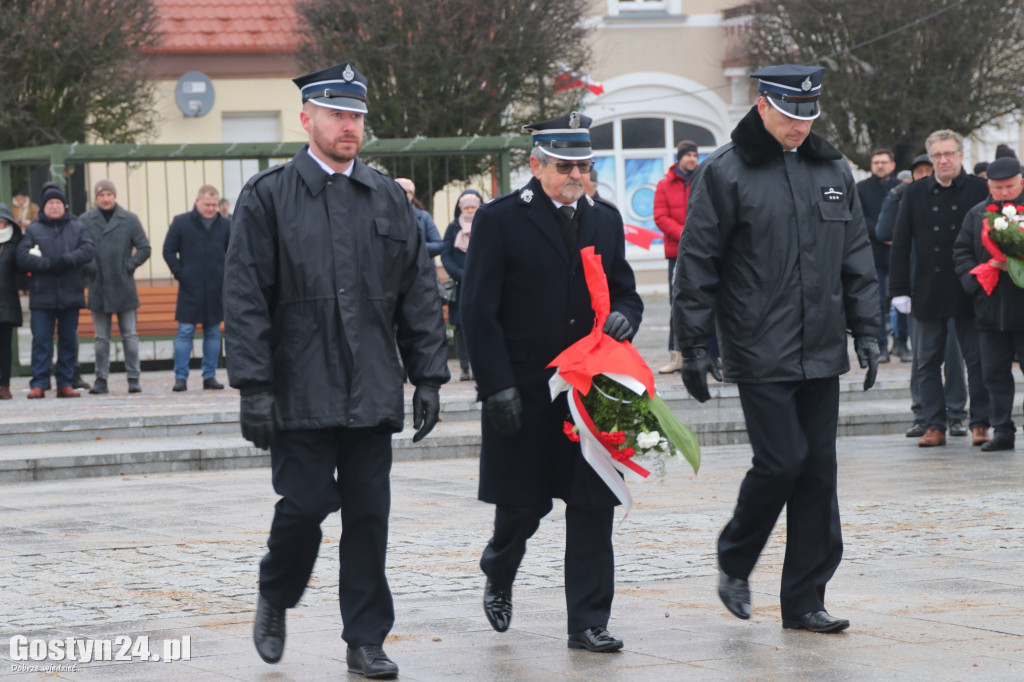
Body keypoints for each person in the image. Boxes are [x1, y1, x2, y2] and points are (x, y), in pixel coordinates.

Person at [223, 62, 449, 680]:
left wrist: (428, 375)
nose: (349, 127)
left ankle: (365, 639)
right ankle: (277, 591)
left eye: (356, 117)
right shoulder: (268, 196)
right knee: (302, 506)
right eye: (337, 115)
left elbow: (417, 295)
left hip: (372, 385)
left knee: (369, 516)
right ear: (307, 119)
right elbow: (244, 297)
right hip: (298, 387)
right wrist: (254, 386)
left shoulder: (384, 197)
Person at [674, 65, 879, 633]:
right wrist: (692, 346)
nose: (799, 126)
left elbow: (856, 257)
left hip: (820, 346)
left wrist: (867, 331)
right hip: (758, 343)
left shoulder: (833, 167)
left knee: (818, 473)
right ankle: (735, 557)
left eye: (808, 116)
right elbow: (697, 263)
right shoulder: (725, 171)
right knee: (783, 460)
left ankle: (805, 600)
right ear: (763, 105)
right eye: (790, 115)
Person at [460, 112, 643, 653]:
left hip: (592, 388)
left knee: (594, 504)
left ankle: (587, 621)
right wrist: (495, 387)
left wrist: (627, 317)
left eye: (583, 165)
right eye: (564, 165)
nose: (575, 175)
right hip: (524, 385)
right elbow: (477, 311)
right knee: (523, 504)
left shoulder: (605, 221)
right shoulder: (500, 220)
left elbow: (626, 291)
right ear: (536, 164)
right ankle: (499, 567)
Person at [889, 130, 990, 447]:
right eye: (937, 155)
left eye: (949, 154)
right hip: (929, 289)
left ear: (961, 155)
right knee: (927, 361)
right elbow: (901, 244)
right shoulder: (915, 193)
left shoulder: (979, 189)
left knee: (977, 360)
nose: (943, 160)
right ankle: (934, 424)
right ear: (930, 158)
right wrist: (899, 289)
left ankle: (981, 423)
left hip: (970, 287)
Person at [877, 154, 967, 436]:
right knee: (923, 357)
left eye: (930, 169)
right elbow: (884, 232)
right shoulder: (909, 198)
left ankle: (956, 412)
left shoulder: (954, 195)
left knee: (953, 353)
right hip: (920, 288)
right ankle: (923, 412)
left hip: (952, 288)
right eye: (920, 171)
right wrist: (895, 197)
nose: (925, 174)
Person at [953, 156, 1024, 451]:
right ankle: (1002, 430)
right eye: (997, 187)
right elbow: (961, 253)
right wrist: (977, 285)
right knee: (993, 373)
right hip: (989, 309)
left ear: (1021, 181)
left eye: (1009, 186)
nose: (1004, 192)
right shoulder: (977, 214)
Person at [16, 183, 95, 399]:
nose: (54, 206)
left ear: (64, 206)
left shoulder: (77, 227)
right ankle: (39, 383)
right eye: (50, 203)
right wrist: (48, 264)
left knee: (68, 340)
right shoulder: (33, 229)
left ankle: (65, 383)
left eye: (57, 202)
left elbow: (88, 250)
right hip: (42, 295)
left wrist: (67, 261)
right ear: (43, 207)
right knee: (41, 340)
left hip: (71, 294)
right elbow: (22, 256)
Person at [80, 180, 151, 394]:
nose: (105, 198)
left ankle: (133, 378)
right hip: (98, 286)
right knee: (101, 338)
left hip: (124, 286)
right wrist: (91, 268)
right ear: (96, 197)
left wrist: (128, 266)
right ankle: (101, 380)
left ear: (114, 196)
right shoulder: (85, 220)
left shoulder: (129, 219)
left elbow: (144, 248)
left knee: (130, 335)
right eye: (101, 194)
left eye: (109, 194)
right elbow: (78, 248)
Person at [162, 185, 230, 392]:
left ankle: (209, 376)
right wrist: (182, 275)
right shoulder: (181, 222)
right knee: (185, 331)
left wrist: (225, 276)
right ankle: (180, 377)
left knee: (212, 332)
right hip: (190, 288)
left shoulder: (227, 224)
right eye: (207, 204)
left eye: (214, 205)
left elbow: (234, 253)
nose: (211, 209)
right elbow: (168, 251)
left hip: (216, 287)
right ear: (197, 202)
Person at [653, 140, 700, 374]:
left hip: (703, 252)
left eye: (695, 154)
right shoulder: (664, 184)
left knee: (705, 301)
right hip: (677, 254)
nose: (693, 158)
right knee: (678, 304)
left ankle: (709, 355)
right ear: (679, 158)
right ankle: (677, 356)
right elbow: (660, 216)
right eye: (688, 155)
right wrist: (684, 235)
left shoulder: (704, 180)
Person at [857, 149, 901, 363]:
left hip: (898, 250)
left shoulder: (902, 188)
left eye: (884, 162)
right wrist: (881, 233)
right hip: (873, 251)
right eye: (876, 162)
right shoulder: (861, 189)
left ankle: (902, 343)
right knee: (878, 301)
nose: (880, 166)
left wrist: (894, 234)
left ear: (892, 165)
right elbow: (859, 217)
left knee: (903, 298)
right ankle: (881, 344)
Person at [440, 189, 483, 381]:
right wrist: (461, 274)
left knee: (480, 326)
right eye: (467, 207)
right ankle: (464, 368)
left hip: (483, 284)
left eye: (474, 207)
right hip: (460, 285)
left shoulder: (486, 224)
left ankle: (478, 367)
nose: (470, 211)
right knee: (460, 328)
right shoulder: (452, 228)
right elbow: (446, 255)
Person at [0, 203, 27, 400]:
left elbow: (22, 269)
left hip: (6, 302)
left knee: (4, 347)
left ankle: (4, 385)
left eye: (1, 222)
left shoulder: (16, 244)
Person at [395, 178, 443, 257]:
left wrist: (414, 246)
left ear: (412, 195)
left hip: (421, 266)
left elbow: (438, 245)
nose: (403, 195)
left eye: (406, 192)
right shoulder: (385, 215)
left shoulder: (424, 217)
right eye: (399, 191)